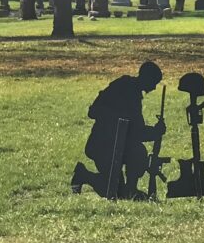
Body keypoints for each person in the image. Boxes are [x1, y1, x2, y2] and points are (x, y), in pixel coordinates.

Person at [71, 61, 166, 199]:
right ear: (147, 78)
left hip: (119, 147)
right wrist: (154, 132)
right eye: (154, 83)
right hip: (103, 147)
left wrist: (154, 132)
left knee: (138, 152)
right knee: (115, 191)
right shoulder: (125, 89)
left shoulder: (133, 92)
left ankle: (131, 189)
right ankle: (84, 175)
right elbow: (94, 111)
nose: (154, 87)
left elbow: (135, 131)